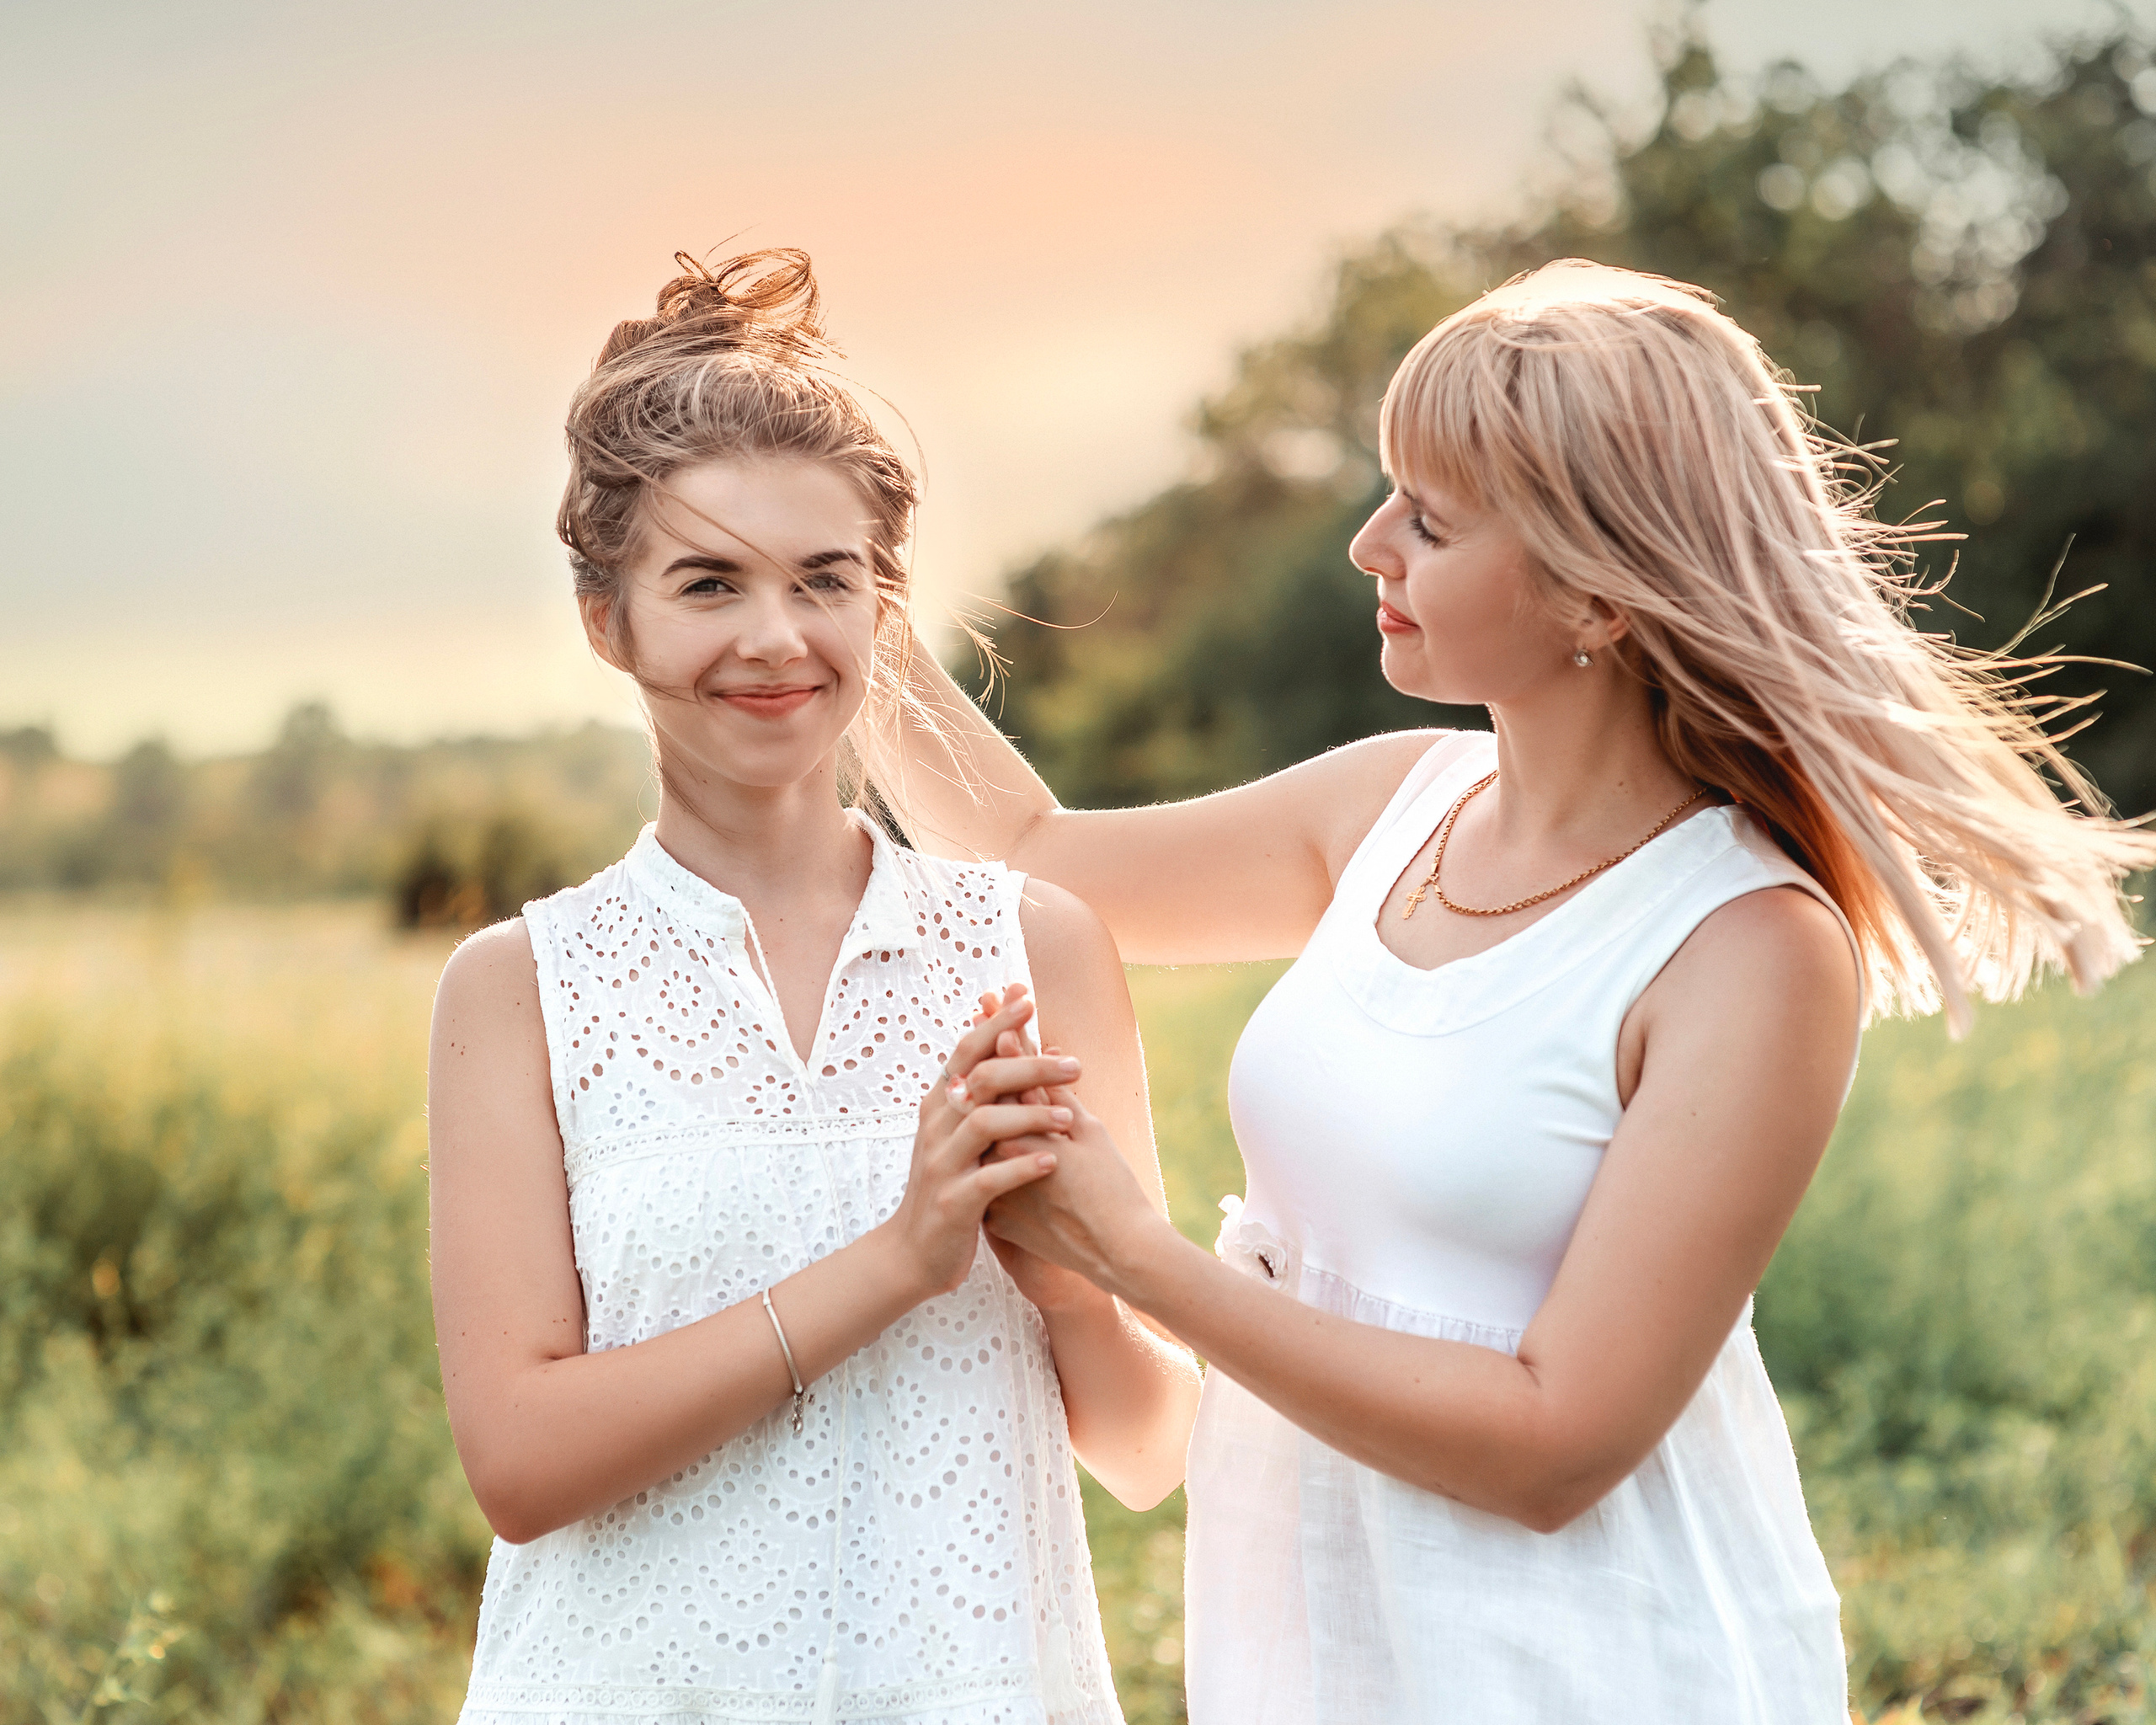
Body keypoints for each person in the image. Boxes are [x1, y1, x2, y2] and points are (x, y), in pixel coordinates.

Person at [881, 261, 2156, 1722]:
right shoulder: (1391, 807)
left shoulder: (1747, 945)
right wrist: (855, 607)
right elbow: (1028, 856)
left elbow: (1558, 1444)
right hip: (1319, 1648)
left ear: (1598, 593)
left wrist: (1132, 1257)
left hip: (1592, 1668)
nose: (1370, 546)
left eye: (1428, 520)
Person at [426, 249, 1199, 1725]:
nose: (775, 639)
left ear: (881, 607)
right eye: (709, 583)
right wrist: (900, 1261)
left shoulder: (1035, 946)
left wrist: (1078, 1289)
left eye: (823, 581)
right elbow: (519, 1467)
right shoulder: (519, 987)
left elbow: (1151, 1448)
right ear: (612, 621)